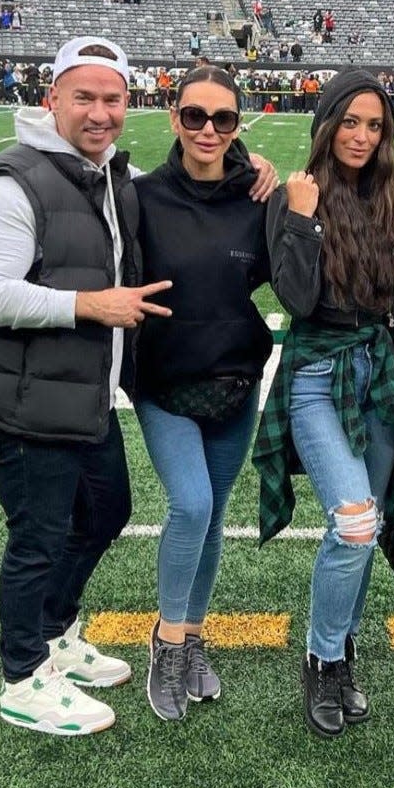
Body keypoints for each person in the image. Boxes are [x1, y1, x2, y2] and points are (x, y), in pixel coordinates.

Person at [0, 36, 176, 737]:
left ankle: (54, 631)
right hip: (23, 399)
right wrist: (89, 306)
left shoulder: (97, 173)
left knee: (105, 512)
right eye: (84, 98)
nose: (99, 113)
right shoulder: (14, 180)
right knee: (38, 537)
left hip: (78, 394)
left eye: (112, 99)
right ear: (53, 101)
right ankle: (21, 676)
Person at [254, 69, 394, 738]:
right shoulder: (296, 194)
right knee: (353, 522)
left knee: (372, 524)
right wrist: (298, 216)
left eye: (374, 124)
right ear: (325, 124)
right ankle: (321, 658)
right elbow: (295, 299)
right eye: (349, 122)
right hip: (317, 371)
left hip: (376, 369)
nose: (361, 135)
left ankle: (345, 650)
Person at [131, 65, 278, 722]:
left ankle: (193, 640)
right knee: (190, 506)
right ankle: (165, 644)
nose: (209, 130)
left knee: (214, 517)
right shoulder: (141, 196)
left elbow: (295, 272)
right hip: (164, 382)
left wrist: (281, 184)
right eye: (195, 116)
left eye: (223, 119)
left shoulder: (257, 194)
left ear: (238, 125)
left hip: (236, 384)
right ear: (173, 118)